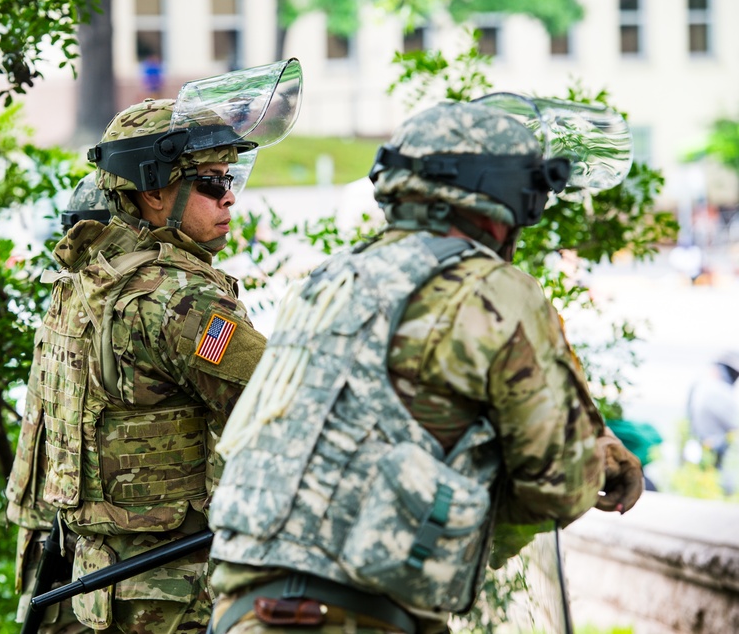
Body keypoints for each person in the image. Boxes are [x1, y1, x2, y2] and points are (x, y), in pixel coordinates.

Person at [205, 98, 644, 634]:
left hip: (240, 609)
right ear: (506, 197)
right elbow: (557, 482)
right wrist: (597, 457)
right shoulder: (494, 290)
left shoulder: (330, 279)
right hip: (356, 617)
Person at [4, 59, 303, 634]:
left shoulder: (86, 272)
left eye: (232, 180)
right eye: (213, 182)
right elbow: (285, 410)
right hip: (171, 598)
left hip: (88, 592)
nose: (229, 200)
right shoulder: (181, 304)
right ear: (154, 192)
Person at [686, 351, 739, 491]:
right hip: (714, 451)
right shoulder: (718, 391)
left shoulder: (702, 386)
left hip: (703, 448)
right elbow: (735, 422)